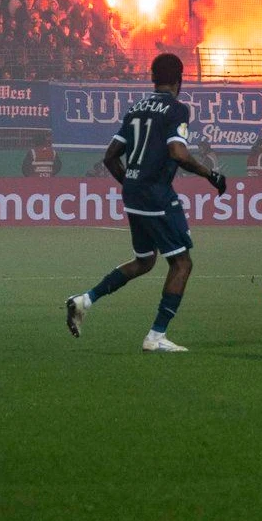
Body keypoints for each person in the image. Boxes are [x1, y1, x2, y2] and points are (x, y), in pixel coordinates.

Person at [66, 52, 229, 352]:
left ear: (154, 79)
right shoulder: (176, 109)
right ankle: (156, 337)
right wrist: (211, 175)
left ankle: (84, 301)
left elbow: (110, 156)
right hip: (156, 194)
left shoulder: (136, 109)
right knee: (182, 263)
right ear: (179, 81)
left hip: (134, 194)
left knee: (145, 261)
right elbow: (178, 153)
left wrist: (130, 183)